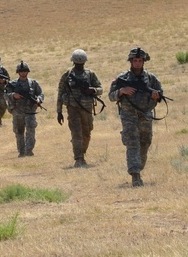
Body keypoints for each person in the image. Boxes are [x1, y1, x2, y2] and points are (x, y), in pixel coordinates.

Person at [108, 47, 164, 188]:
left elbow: (160, 95)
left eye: (140, 60)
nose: (137, 63)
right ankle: (135, 175)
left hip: (145, 116)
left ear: (144, 62)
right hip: (129, 116)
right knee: (132, 143)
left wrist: (156, 96)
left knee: (145, 143)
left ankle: (138, 167)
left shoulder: (151, 79)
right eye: (135, 60)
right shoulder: (122, 78)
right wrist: (121, 91)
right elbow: (111, 96)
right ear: (131, 62)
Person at [56, 49, 104, 167]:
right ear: (73, 62)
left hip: (87, 109)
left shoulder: (90, 74)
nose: (79, 65)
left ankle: (81, 151)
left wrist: (92, 90)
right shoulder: (67, 75)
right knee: (76, 133)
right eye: (77, 63)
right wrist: (59, 111)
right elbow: (60, 93)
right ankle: (79, 158)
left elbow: (100, 89)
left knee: (87, 133)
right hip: (72, 108)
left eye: (81, 63)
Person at [6, 61, 44, 157]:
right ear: (18, 72)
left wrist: (39, 99)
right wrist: (13, 95)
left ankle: (29, 150)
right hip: (17, 111)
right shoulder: (12, 84)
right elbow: (5, 95)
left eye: (25, 71)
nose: (23, 73)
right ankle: (21, 151)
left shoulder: (33, 83)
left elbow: (40, 93)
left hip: (30, 111)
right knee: (19, 132)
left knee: (31, 130)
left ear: (27, 72)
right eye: (21, 71)